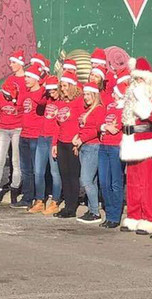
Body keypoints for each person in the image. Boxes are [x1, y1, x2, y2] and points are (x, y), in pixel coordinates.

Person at [119, 57, 152, 235]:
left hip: (146, 142)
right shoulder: (130, 97)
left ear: (148, 80)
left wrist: (139, 97)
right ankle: (134, 216)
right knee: (132, 183)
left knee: (148, 184)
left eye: (140, 79)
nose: (136, 84)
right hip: (131, 142)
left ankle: (149, 218)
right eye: (135, 80)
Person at [12, 64, 45, 208]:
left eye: (29, 77)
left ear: (36, 79)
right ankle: (27, 198)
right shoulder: (25, 93)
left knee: (37, 170)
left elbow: (43, 103)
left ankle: (39, 198)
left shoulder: (41, 94)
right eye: (25, 76)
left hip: (35, 136)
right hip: (23, 135)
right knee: (26, 169)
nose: (26, 79)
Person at [29, 76, 62, 215]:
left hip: (53, 139)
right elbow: (36, 98)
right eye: (50, 91)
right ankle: (39, 200)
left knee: (55, 172)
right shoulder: (47, 99)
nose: (52, 93)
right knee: (38, 171)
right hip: (42, 137)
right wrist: (44, 86)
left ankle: (55, 201)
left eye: (54, 90)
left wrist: (55, 141)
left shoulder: (62, 102)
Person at [72, 82, 105, 223]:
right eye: (84, 94)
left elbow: (96, 129)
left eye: (88, 94)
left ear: (95, 94)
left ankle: (95, 212)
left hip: (92, 146)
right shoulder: (87, 109)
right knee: (92, 180)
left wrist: (82, 139)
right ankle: (93, 209)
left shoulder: (99, 109)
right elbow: (83, 127)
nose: (85, 97)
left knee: (85, 180)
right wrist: (77, 137)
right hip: (83, 146)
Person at [53, 72, 84, 218]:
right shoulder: (60, 101)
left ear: (71, 86)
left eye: (65, 86)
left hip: (73, 143)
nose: (62, 89)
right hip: (61, 142)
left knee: (73, 175)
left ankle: (72, 206)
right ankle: (67, 205)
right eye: (61, 86)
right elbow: (57, 125)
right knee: (64, 175)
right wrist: (54, 143)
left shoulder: (79, 102)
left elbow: (82, 122)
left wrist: (78, 141)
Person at [98, 83, 127, 228]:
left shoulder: (125, 109)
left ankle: (115, 216)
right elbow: (101, 124)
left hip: (116, 147)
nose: (113, 96)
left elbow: (117, 130)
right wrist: (105, 127)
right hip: (104, 145)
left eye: (116, 93)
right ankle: (109, 213)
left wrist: (108, 127)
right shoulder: (110, 107)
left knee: (116, 182)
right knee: (104, 181)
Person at [0, 82, 22, 204]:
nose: (9, 98)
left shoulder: (20, 97)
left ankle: (15, 189)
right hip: (3, 129)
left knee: (16, 161)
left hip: (17, 130)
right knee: (0, 159)